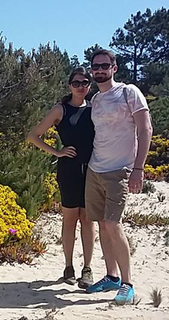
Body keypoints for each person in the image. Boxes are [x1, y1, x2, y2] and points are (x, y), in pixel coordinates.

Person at [84, 49, 153, 304]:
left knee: (113, 224)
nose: (99, 70)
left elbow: (145, 129)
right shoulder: (96, 100)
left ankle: (127, 283)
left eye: (104, 65)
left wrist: (138, 168)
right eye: (95, 66)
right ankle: (111, 277)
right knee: (102, 224)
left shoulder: (128, 92)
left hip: (120, 170)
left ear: (114, 67)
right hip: (95, 169)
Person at [28, 67, 96, 289]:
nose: (80, 87)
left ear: (89, 85)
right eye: (76, 83)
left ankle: (87, 268)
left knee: (88, 219)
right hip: (68, 170)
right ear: (69, 85)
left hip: (93, 169)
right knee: (70, 219)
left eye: (84, 83)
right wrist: (57, 152)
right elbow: (33, 136)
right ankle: (68, 267)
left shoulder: (96, 108)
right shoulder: (61, 110)